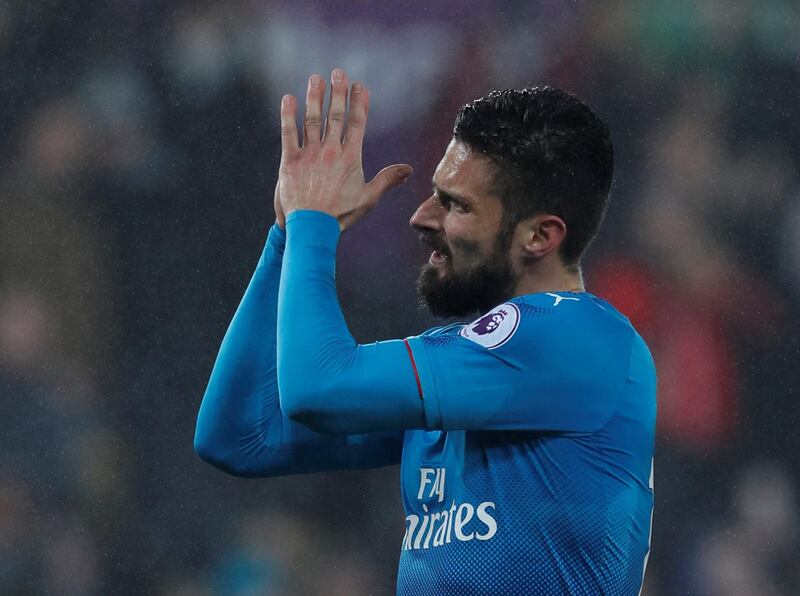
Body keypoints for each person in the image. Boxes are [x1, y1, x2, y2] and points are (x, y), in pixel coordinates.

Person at [194, 68, 656, 595]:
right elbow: (239, 436)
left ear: (539, 236)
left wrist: (313, 226)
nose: (419, 215)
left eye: (455, 204)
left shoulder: (580, 337)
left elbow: (317, 386)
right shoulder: (464, 376)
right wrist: (284, 235)